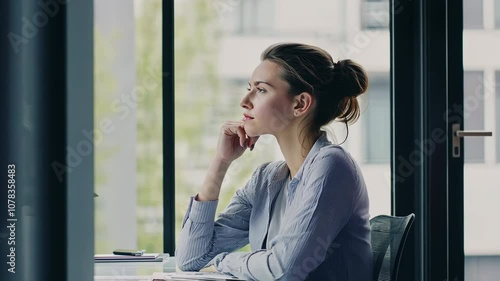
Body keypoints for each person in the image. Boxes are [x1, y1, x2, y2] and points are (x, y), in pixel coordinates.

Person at [176, 43, 372, 281]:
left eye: (261, 90)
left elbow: (284, 269)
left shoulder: (332, 165)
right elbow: (190, 259)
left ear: (300, 104)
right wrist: (221, 161)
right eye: (250, 88)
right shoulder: (266, 179)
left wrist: (221, 263)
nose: (245, 101)